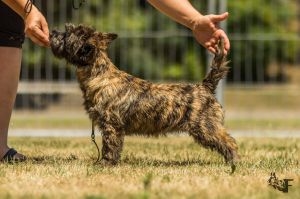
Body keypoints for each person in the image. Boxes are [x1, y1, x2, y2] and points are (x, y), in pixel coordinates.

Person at [0, 0, 230, 162]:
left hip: (193, 102)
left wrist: (194, 20)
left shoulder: (107, 90)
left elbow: (112, 127)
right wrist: (28, 10)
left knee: (208, 135)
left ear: (84, 52)